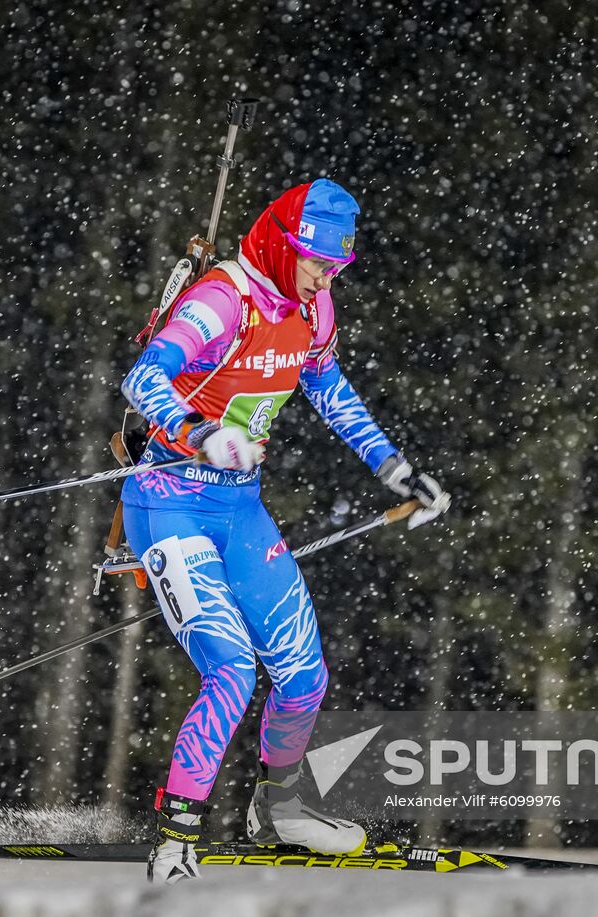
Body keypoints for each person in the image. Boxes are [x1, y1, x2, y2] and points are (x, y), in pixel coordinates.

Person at [119, 178, 449, 884]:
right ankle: (176, 835)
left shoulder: (315, 306)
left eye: (335, 267)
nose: (326, 278)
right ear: (280, 245)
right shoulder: (222, 299)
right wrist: (196, 431)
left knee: (302, 672)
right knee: (233, 670)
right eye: (316, 263)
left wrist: (396, 469)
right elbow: (144, 378)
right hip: (170, 501)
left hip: (239, 507)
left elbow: (329, 388)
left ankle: (279, 807)